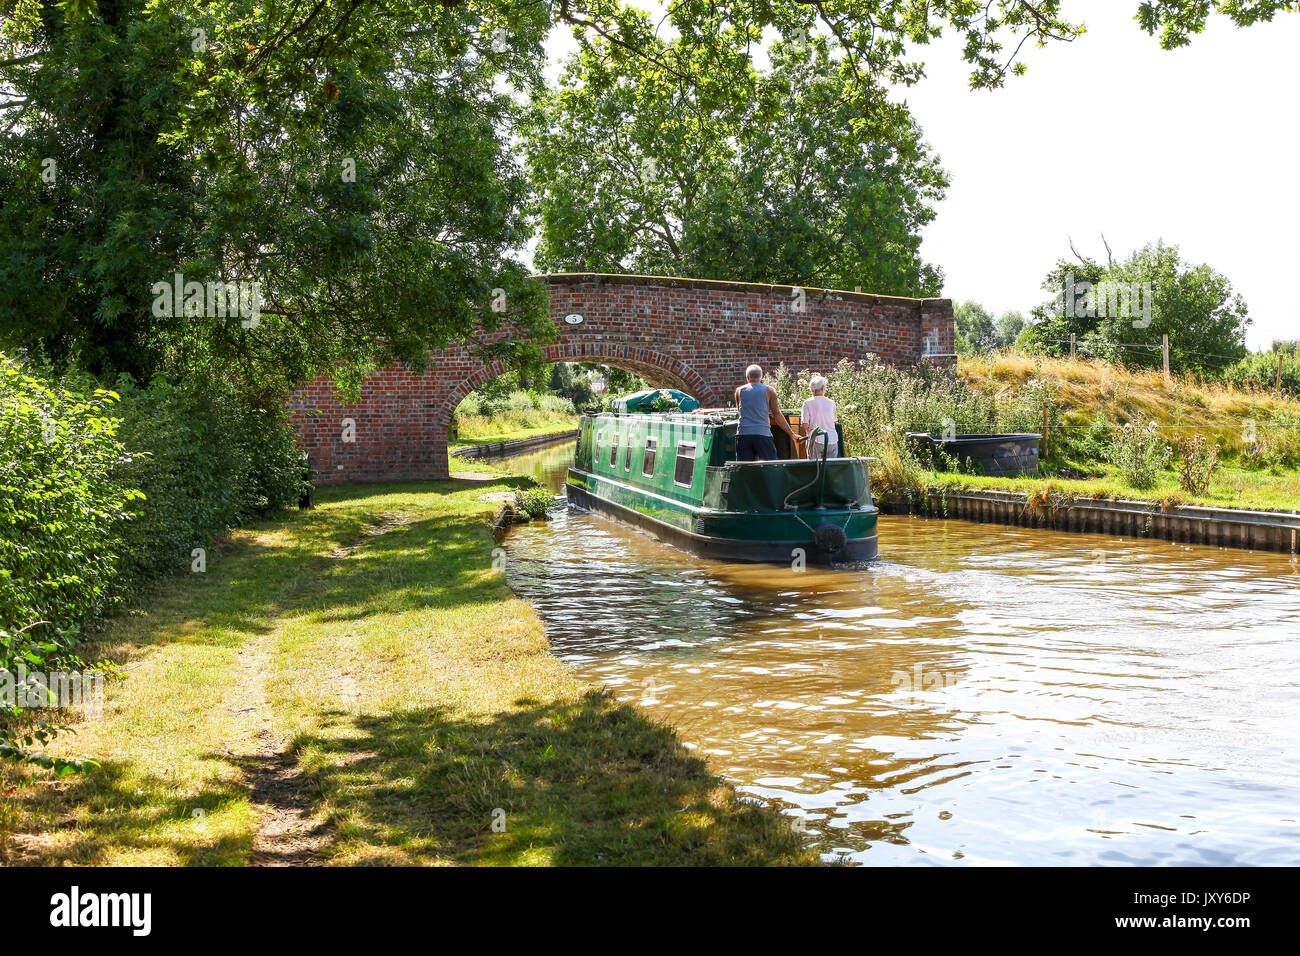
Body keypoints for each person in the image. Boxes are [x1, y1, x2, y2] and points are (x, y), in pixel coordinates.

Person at [734, 364, 798, 461]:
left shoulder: (739, 391)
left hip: (743, 434)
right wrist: (792, 434)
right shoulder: (769, 390)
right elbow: (776, 414)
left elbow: (740, 411)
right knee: (770, 466)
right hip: (762, 434)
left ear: (747, 378)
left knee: (744, 469)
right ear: (761, 377)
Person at [800, 375, 839, 459]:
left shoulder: (807, 403)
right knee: (831, 468)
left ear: (812, 389)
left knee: (815, 467)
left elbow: (805, 424)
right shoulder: (831, 403)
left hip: (815, 440)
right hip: (831, 439)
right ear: (823, 388)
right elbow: (834, 421)